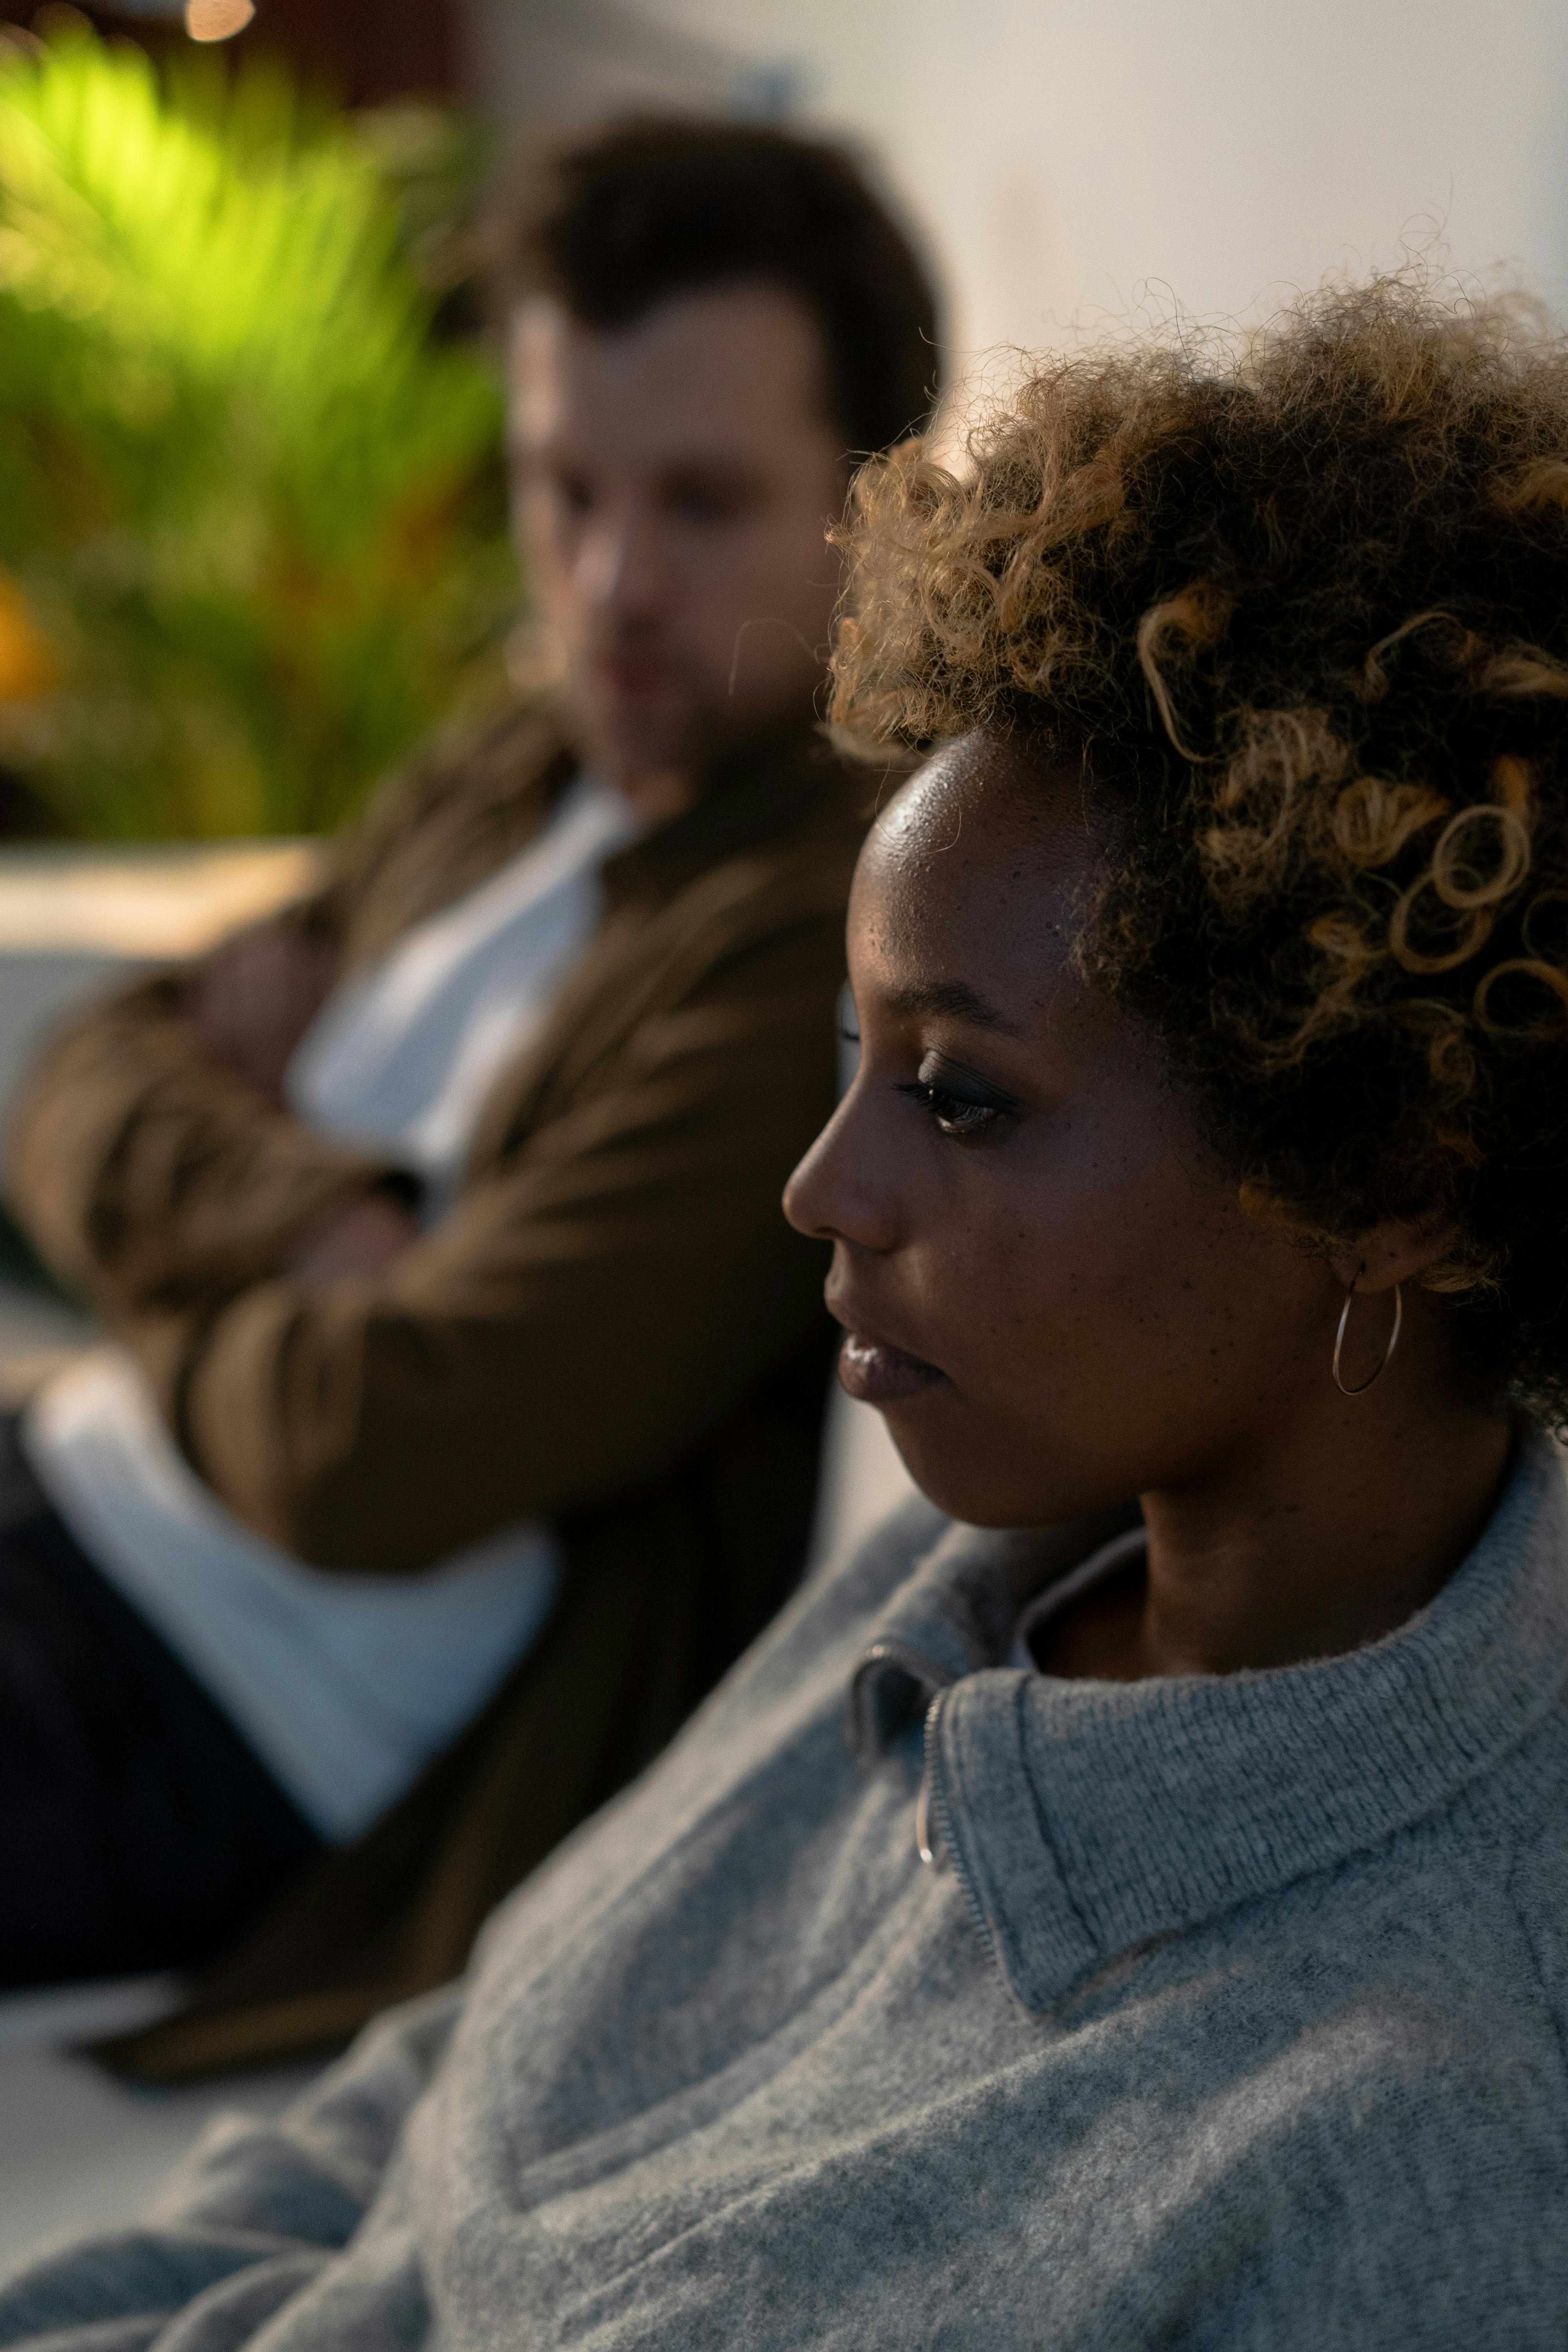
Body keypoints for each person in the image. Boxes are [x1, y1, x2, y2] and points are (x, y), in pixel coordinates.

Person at [8, 270, 1566, 2346]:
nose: (822, 1187)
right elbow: (444, 2085)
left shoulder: (1393, 2163)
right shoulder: (980, 1570)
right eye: (854, 1053)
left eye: (961, 1096)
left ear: (1388, 1174)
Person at [0, 116, 939, 2071]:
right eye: (559, 489)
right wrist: (319, 1229)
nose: (608, 584)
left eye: (698, 503)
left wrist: (171, 1246)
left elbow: (385, 1455)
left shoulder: (828, 937)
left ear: (881, 511)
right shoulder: (519, 762)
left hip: (200, 1719)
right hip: (55, 1492)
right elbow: (78, 1075)